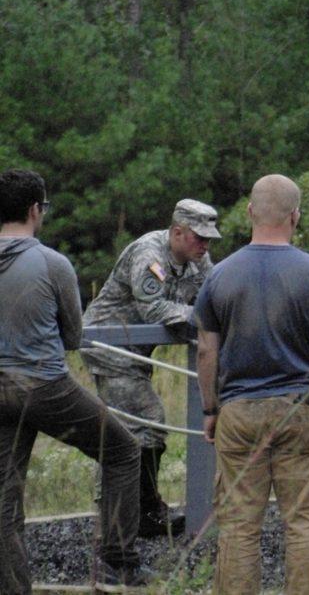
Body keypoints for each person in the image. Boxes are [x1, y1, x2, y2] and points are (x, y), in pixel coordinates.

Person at [193, 174, 309, 595]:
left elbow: (206, 351)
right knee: (302, 523)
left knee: (240, 526)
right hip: (302, 409)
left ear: (249, 212)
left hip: (239, 412)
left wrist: (210, 409)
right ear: (295, 216)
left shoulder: (219, 276)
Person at [0, 169, 148, 592]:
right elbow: (73, 336)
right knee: (122, 451)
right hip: (45, 386)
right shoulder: (51, 263)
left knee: (4, 497)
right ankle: (119, 561)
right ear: (34, 210)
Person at [79, 198, 221, 537]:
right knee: (144, 422)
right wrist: (206, 321)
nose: (205, 245)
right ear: (176, 232)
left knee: (136, 428)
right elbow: (154, 309)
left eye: (209, 239)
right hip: (109, 347)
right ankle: (133, 516)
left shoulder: (198, 261)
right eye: (198, 238)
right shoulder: (149, 254)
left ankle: (141, 510)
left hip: (136, 352)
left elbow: (215, 295)